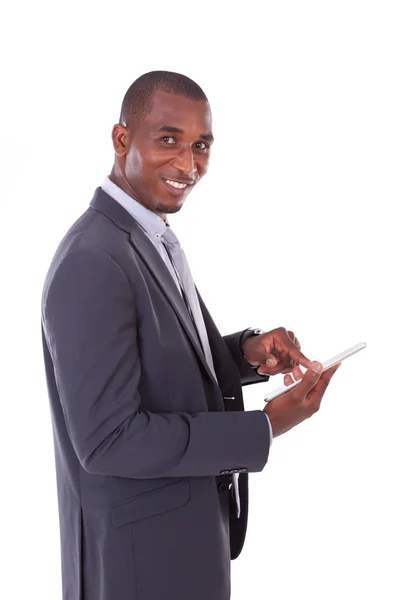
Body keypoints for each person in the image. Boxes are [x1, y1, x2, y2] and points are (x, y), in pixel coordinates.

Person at [41, 70, 340, 600]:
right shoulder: (93, 260)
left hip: (180, 549)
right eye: (168, 139)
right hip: (139, 569)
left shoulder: (145, 236)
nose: (188, 164)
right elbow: (108, 441)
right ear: (121, 139)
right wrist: (264, 428)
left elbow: (155, 361)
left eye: (201, 145)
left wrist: (245, 355)